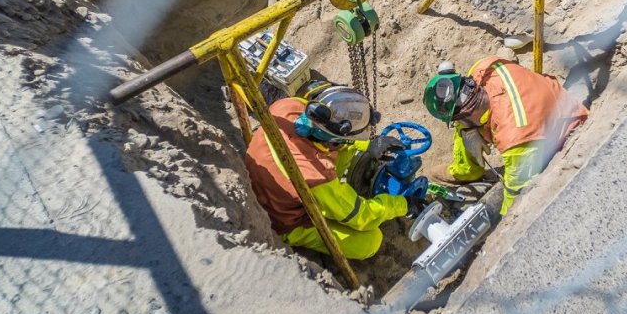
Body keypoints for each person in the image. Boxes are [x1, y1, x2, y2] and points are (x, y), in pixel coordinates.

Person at [245, 81, 423, 260]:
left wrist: (370, 145)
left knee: (346, 150)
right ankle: (319, 221)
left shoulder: (288, 106)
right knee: (370, 241)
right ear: (332, 140)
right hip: (284, 221)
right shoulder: (316, 175)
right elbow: (362, 216)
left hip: (265, 185)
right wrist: (404, 205)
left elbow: (336, 136)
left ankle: (336, 200)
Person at [423, 57, 589, 215]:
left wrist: (500, 224)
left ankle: (469, 171)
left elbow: (516, 199)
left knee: (516, 187)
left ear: (467, 114)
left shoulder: (515, 140)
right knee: (465, 129)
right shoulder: (484, 67)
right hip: (543, 102)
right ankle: (467, 170)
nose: (457, 125)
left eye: (456, 121)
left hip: (563, 136)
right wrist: (469, 130)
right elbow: (468, 114)